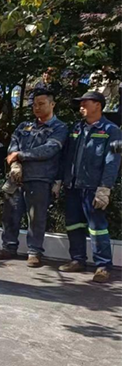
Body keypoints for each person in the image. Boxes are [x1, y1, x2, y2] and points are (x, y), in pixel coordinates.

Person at [0, 89, 68, 267]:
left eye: (41, 104)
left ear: (52, 104)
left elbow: (49, 150)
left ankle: (34, 252)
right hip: (16, 177)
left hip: (40, 178)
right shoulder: (24, 126)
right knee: (10, 213)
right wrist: (15, 164)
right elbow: (13, 145)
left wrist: (20, 155)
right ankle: (9, 247)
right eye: (34, 104)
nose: (37, 108)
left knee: (36, 217)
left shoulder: (59, 128)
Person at [58, 91, 122, 282]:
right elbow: (67, 157)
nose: (81, 107)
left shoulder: (112, 130)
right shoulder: (76, 128)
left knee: (97, 227)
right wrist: (60, 180)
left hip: (93, 187)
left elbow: (113, 161)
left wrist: (105, 188)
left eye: (85, 103)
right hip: (73, 185)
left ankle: (103, 266)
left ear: (98, 105)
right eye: (80, 104)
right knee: (74, 224)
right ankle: (77, 260)